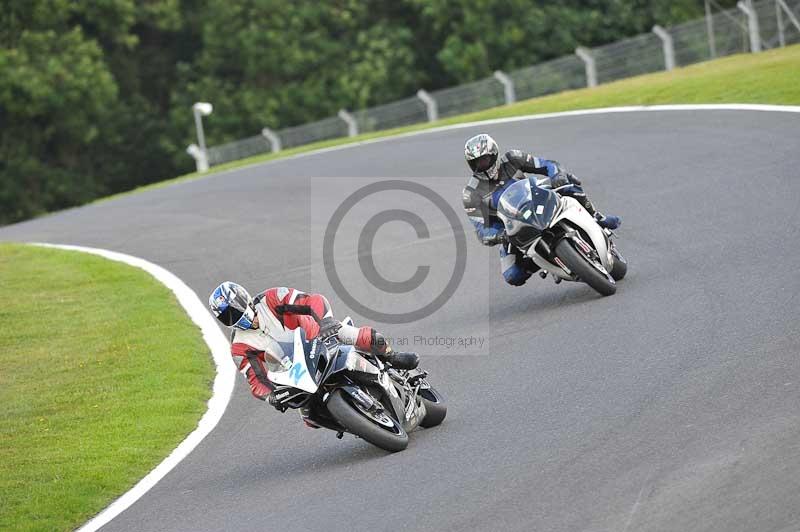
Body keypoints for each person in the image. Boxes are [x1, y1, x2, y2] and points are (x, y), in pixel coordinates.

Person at [208, 281, 418, 412]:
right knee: (309, 416)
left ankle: (392, 356)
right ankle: (351, 418)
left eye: (235, 309)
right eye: (228, 316)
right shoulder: (239, 347)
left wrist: (324, 322)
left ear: (244, 298)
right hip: (295, 371)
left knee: (350, 334)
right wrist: (271, 395)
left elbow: (311, 301)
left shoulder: (271, 298)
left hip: (319, 336)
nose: (235, 316)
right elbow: (256, 379)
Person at [462, 133, 621, 286]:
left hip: (535, 200)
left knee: (568, 184)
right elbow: (481, 229)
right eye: (476, 162)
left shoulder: (512, 158)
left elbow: (546, 164)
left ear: (494, 154)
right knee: (512, 275)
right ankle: (545, 261)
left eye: (485, 159)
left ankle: (597, 217)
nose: (481, 164)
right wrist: (498, 235)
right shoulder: (470, 194)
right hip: (512, 229)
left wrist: (556, 175)